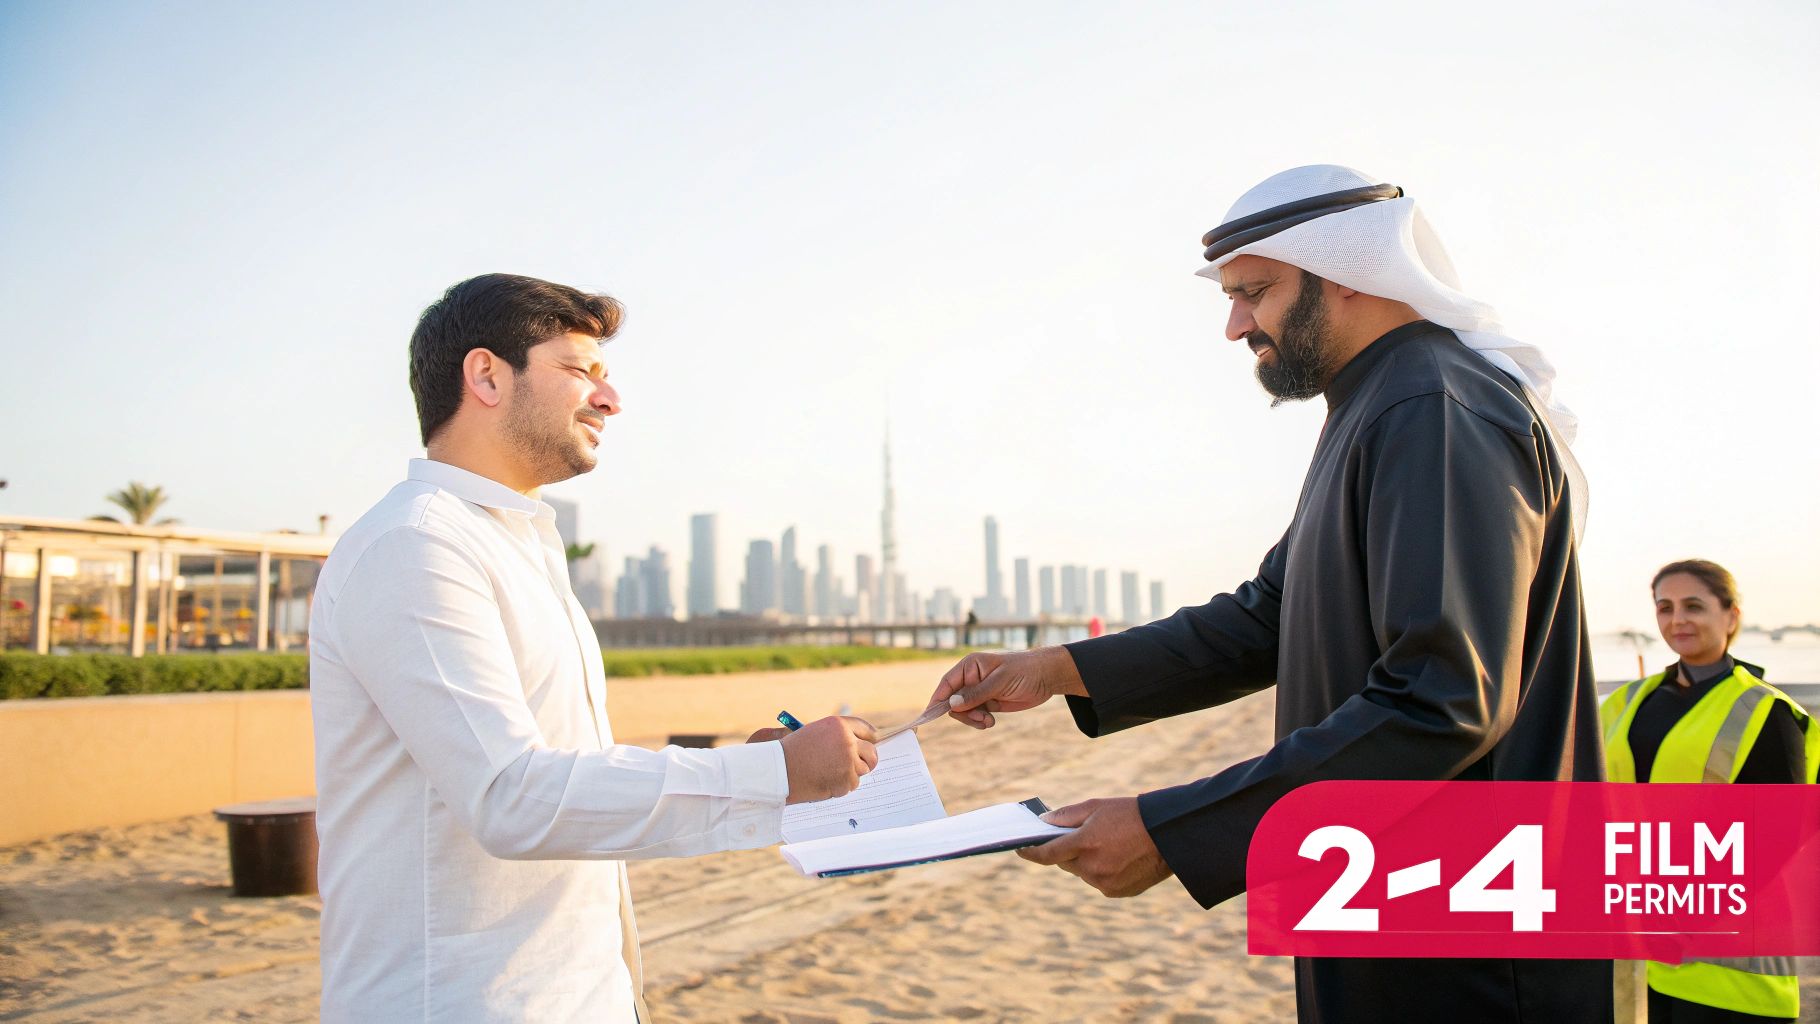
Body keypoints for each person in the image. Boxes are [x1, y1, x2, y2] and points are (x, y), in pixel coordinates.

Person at [931, 165, 1611, 1023]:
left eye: (1255, 292)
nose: (1233, 325)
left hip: (1467, 935)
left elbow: (1443, 702)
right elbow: (1268, 617)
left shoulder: (1434, 408)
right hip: (1379, 900)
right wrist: (1057, 668)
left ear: (1352, 277)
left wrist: (1174, 831)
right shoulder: (1377, 406)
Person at [309, 273, 878, 1023]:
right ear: (486, 375)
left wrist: (765, 770)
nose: (609, 400)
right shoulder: (416, 545)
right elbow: (511, 796)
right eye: (579, 371)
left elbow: (565, 779)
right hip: (458, 1001)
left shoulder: (516, 547)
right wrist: (771, 773)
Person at [1601, 560, 1817, 1022]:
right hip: (1642, 956)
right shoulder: (1625, 703)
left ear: (1731, 616)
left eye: (1693, 606)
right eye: (1665, 607)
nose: (1677, 619)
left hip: (1732, 972)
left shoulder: (1765, 711)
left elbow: (1779, 837)